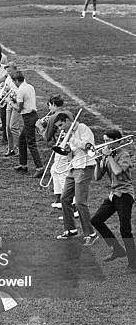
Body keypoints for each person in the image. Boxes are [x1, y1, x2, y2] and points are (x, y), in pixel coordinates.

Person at [91, 129, 135, 270]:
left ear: (118, 141)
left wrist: (109, 156)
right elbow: (97, 177)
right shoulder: (107, 156)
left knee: (125, 230)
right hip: (114, 194)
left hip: (125, 195)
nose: (105, 144)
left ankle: (133, 263)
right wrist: (98, 162)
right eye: (104, 140)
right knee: (96, 220)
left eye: (107, 141)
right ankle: (116, 249)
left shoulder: (124, 155)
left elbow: (117, 171)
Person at [53, 112, 98, 244]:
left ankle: (91, 233)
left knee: (79, 202)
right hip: (74, 167)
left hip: (85, 167)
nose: (61, 129)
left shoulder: (82, 128)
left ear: (67, 121)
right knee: (64, 198)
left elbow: (90, 148)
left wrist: (72, 140)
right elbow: (72, 155)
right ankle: (70, 230)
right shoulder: (67, 133)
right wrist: (67, 151)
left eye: (61, 125)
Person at [37, 95, 73, 208]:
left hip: (62, 146)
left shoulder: (54, 117)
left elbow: (47, 137)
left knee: (61, 173)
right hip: (69, 144)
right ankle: (59, 199)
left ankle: (69, 201)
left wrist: (40, 127)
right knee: (54, 170)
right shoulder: (68, 113)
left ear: (53, 104)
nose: (49, 109)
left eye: (49, 106)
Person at [11, 71, 44, 177]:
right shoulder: (30, 86)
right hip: (33, 115)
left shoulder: (20, 90)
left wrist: (10, 103)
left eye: (14, 81)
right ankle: (23, 164)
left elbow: (19, 109)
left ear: (16, 81)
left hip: (28, 118)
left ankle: (39, 168)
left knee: (31, 143)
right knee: (22, 140)